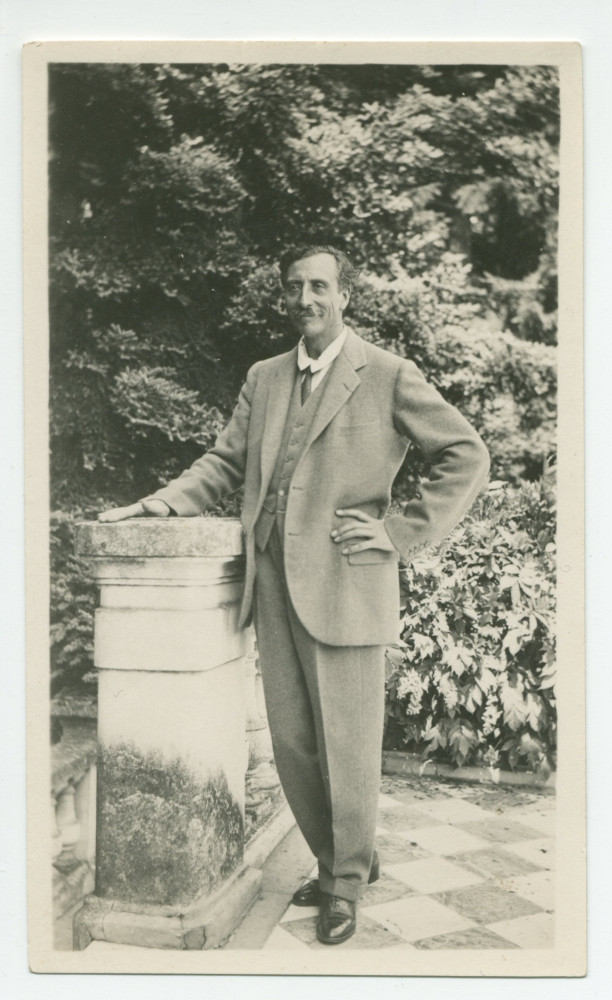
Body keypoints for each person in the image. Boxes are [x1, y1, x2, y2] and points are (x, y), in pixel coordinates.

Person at [99, 244, 490, 944]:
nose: (305, 298)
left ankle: (345, 881)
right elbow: (224, 461)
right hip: (273, 583)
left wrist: (397, 532)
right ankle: (338, 857)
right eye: (293, 287)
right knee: (293, 742)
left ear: (345, 296)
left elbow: (465, 454)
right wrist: (162, 503)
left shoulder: (388, 373)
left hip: (347, 580)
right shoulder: (265, 377)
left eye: (319, 286)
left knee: (347, 743)